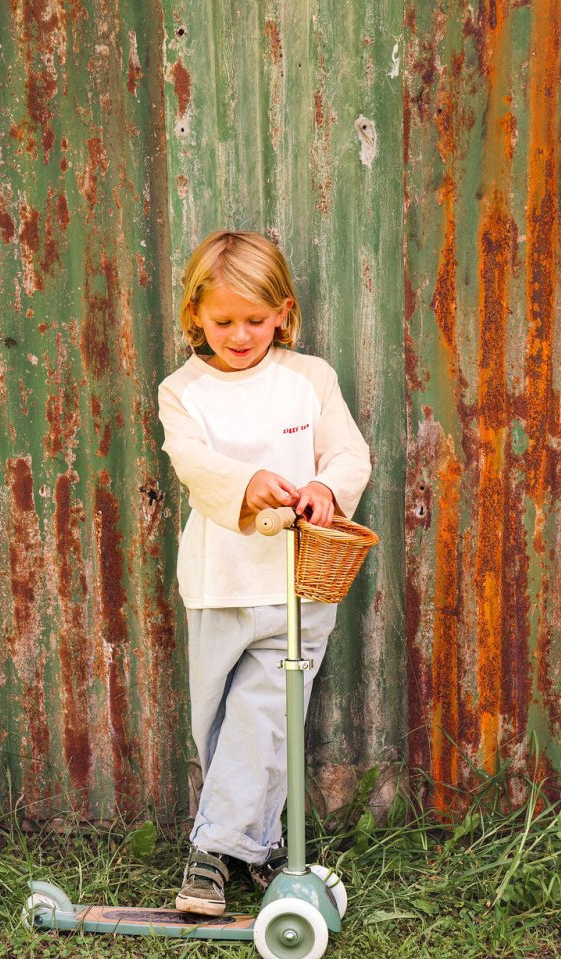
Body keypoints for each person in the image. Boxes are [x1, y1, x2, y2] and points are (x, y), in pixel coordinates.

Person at [158, 230, 371, 916]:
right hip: (219, 582)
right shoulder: (182, 392)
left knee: (267, 713)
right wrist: (246, 483)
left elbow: (349, 455)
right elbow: (194, 465)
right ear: (196, 316)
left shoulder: (310, 380)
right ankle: (259, 843)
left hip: (297, 583)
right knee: (219, 724)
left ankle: (210, 856)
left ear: (284, 311)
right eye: (223, 322)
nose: (241, 334)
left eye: (256, 319)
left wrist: (328, 491)